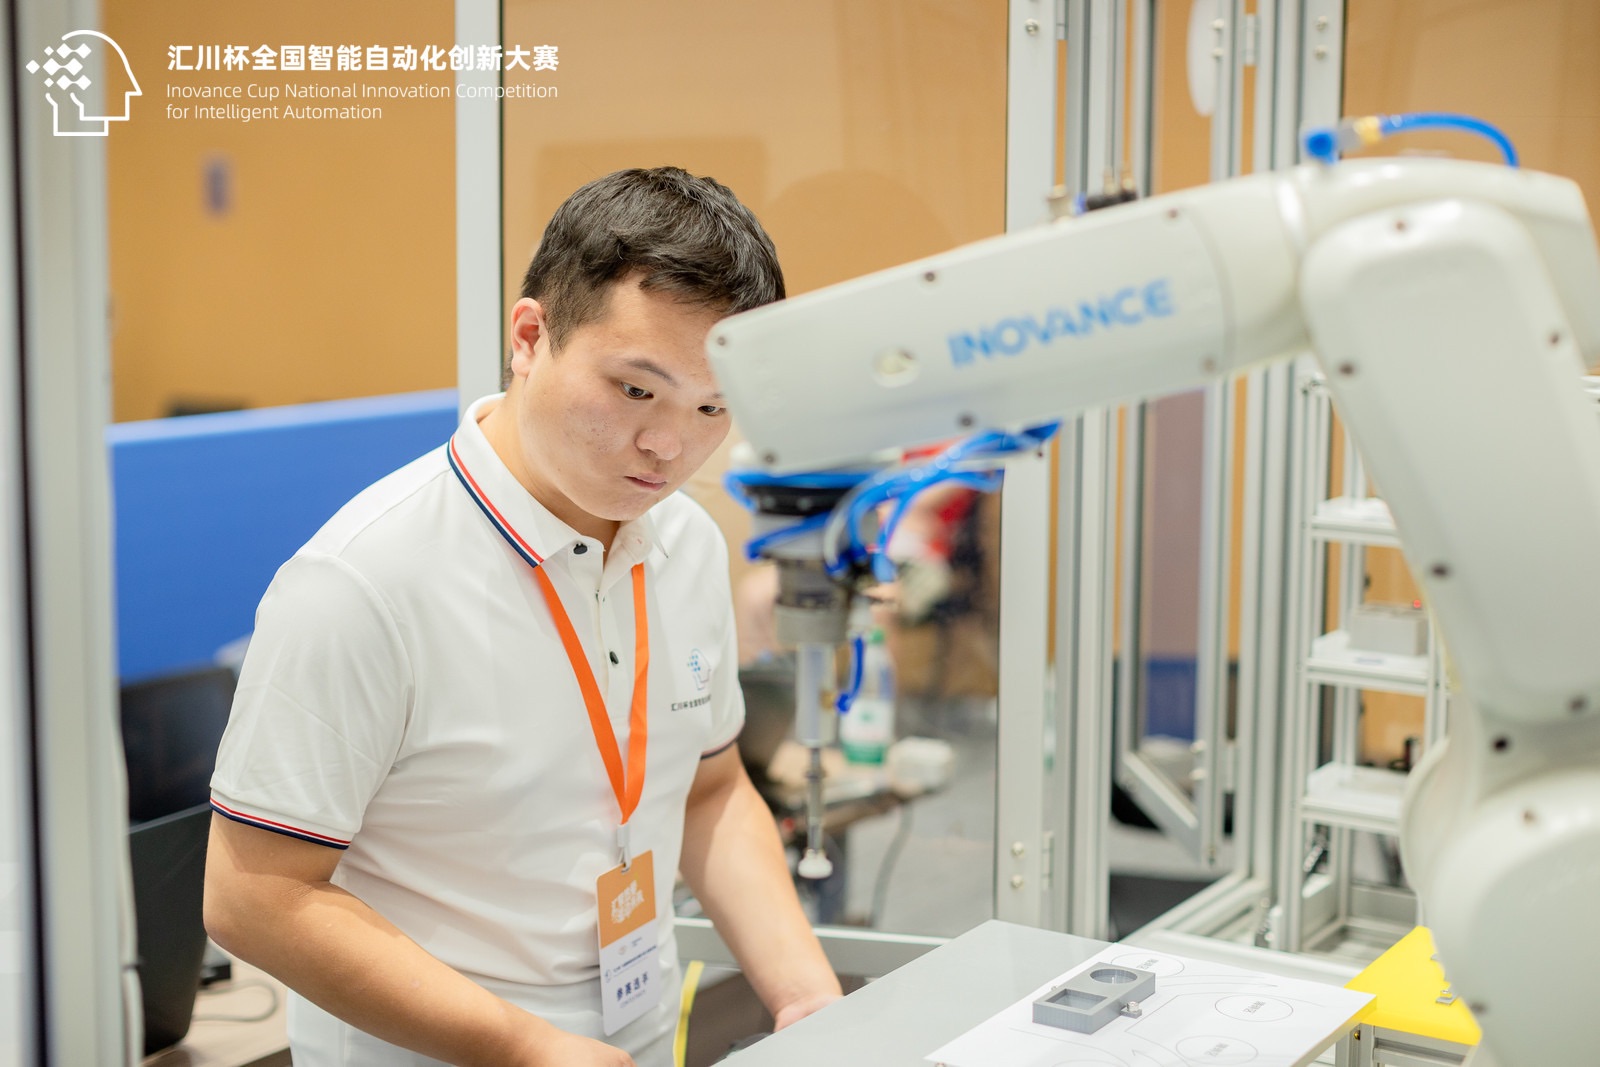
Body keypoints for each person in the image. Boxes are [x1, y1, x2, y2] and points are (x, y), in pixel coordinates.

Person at [203, 167, 842, 1067]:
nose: (669, 445)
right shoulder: (363, 580)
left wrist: (807, 995)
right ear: (530, 338)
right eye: (635, 390)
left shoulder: (687, 542)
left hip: (633, 1037)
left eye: (712, 407)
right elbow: (253, 897)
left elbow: (708, 788)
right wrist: (527, 1046)